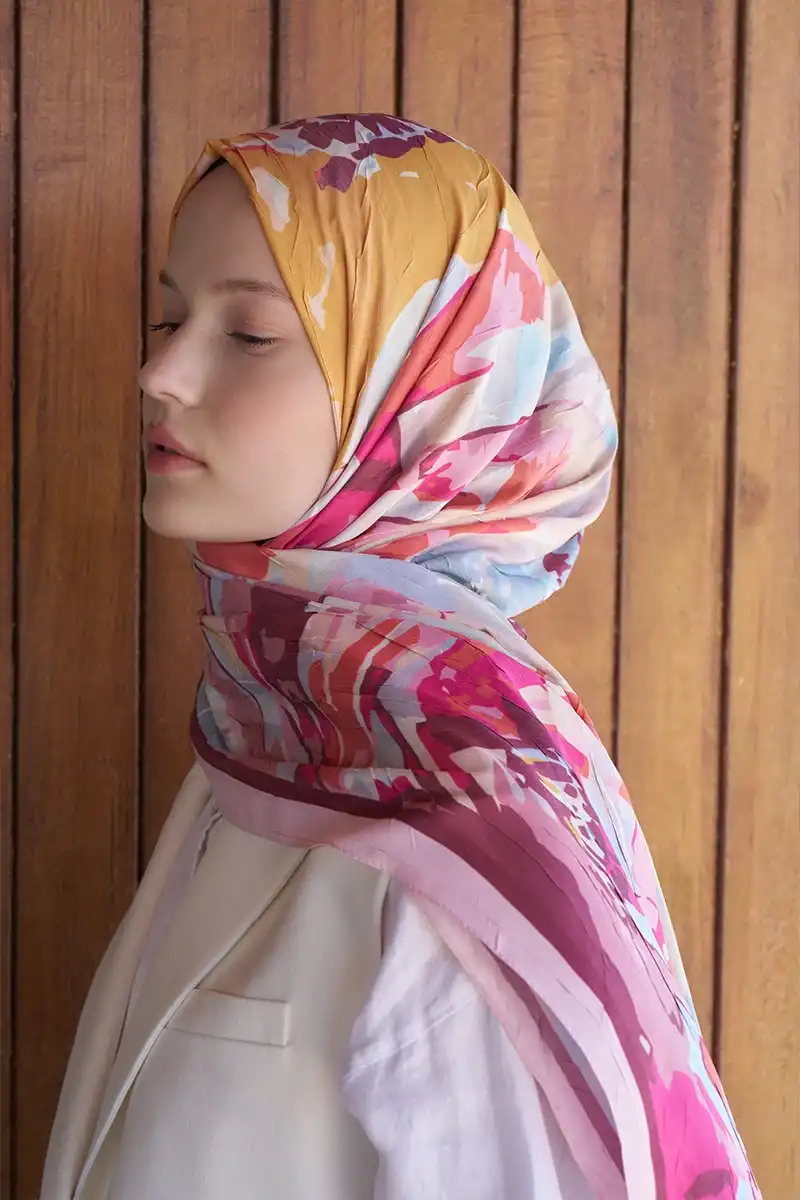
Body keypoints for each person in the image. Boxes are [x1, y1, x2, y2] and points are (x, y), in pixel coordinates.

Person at [41, 113, 760, 1199]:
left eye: (249, 335)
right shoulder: (285, 714)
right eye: (171, 316)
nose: (160, 372)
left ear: (422, 394)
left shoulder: (458, 792)